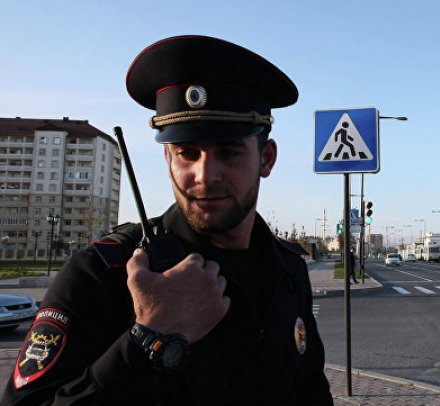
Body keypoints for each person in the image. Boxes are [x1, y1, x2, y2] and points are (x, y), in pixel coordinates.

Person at [2, 35, 333, 405]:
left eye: (228, 151)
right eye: (187, 152)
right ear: (167, 160)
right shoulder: (103, 273)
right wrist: (150, 338)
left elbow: (311, 391)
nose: (205, 175)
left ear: (266, 159)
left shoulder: (287, 268)